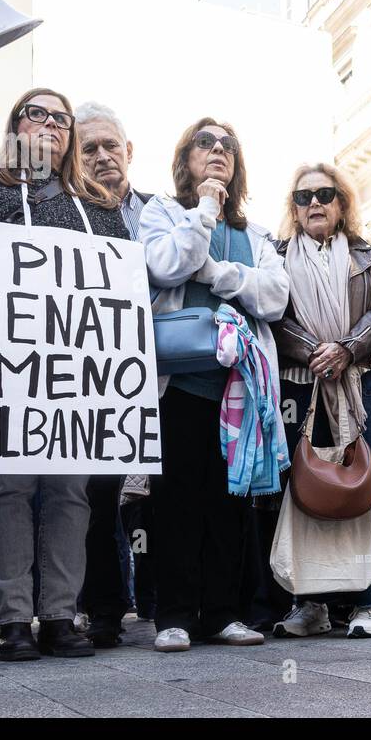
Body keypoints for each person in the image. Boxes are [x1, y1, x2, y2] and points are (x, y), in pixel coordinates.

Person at [0, 88, 128, 661]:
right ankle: (12, 619)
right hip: (6, 366)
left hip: (72, 373)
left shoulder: (98, 204)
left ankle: (58, 615)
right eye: (37, 113)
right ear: (16, 125)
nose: (50, 123)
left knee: (68, 491)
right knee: (8, 486)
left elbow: (117, 286)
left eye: (61, 118)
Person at [138, 118, 288, 652]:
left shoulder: (257, 235)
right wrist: (203, 209)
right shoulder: (161, 213)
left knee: (230, 502)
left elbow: (274, 297)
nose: (218, 149)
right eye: (205, 142)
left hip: (239, 388)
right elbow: (168, 265)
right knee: (175, 500)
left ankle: (224, 613)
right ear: (186, 159)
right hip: (178, 384)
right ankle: (174, 615)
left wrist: (217, 274)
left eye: (228, 144)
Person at [270, 163, 371, 638]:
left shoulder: (365, 253)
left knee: (363, 486)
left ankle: (369, 603)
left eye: (324, 194)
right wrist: (315, 352)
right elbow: (274, 316)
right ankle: (311, 603)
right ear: (294, 209)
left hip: (360, 378)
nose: (314, 204)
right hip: (302, 382)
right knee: (309, 488)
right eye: (304, 197)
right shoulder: (277, 256)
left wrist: (345, 349)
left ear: (341, 203)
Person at [73, 102, 152, 646]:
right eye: (89, 149)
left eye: (110, 146)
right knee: (98, 496)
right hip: (95, 374)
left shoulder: (162, 213)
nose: (103, 157)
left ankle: (166, 601)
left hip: (159, 371)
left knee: (163, 496)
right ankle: (104, 607)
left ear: (129, 152)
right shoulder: (64, 214)